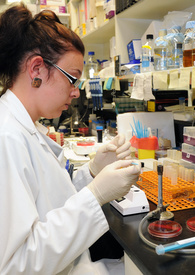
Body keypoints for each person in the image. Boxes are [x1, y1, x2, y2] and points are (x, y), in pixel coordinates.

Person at [0, 3, 141, 275]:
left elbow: (48, 199)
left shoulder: (27, 127)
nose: (76, 93)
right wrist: (95, 194)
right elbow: (15, 265)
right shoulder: (7, 138)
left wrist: (91, 172)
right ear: (37, 69)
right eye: (72, 79)